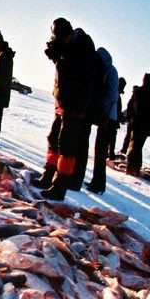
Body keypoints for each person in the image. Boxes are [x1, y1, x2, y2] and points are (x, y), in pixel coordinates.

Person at [36, 18, 98, 201]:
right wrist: (57, 56)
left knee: (67, 146)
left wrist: (61, 57)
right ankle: (48, 177)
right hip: (62, 103)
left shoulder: (85, 48)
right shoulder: (67, 45)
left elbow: (78, 76)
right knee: (53, 140)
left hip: (75, 105)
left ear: (69, 34)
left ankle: (60, 186)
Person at [85, 48, 119, 193]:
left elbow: (111, 95)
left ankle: (99, 184)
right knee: (99, 151)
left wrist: (103, 110)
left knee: (101, 151)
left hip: (108, 117)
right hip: (106, 116)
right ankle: (96, 182)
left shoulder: (111, 71)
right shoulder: (108, 70)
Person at [124, 73, 150, 177]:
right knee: (138, 148)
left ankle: (130, 168)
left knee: (134, 146)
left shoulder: (138, 91)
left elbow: (130, 105)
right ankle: (135, 168)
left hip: (136, 124)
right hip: (144, 126)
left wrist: (129, 117)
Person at [109, 77, 126, 159]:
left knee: (111, 136)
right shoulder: (116, 95)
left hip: (112, 120)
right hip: (111, 120)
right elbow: (116, 110)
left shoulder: (115, 93)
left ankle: (109, 152)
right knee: (111, 137)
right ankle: (109, 153)